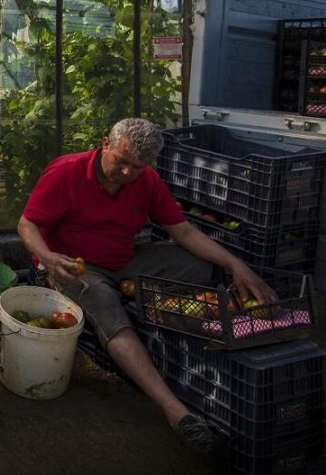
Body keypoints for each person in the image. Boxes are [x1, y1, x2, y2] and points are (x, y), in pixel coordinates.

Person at [16, 117, 277, 455]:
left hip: (126, 260)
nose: (126, 173)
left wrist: (236, 265)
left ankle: (255, 319)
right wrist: (48, 258)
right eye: (121, 162)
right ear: (105, 144)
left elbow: (183, 232)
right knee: (108, 313)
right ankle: (177, 413)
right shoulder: (66, 172)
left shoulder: (148, 182)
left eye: (136, 167)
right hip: (74, 266)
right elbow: (27, 224)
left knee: (205, 266)